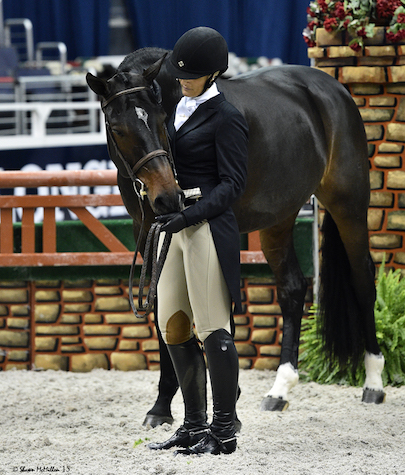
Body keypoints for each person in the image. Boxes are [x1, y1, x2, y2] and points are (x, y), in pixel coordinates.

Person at [147, 26, 249, 455]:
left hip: (206, 227)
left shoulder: (227, 117)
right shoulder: (178, 110)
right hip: (175, 228)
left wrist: (189, 214)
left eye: (192, 74)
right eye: (180, 73)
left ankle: (224, 429)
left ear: (214, 74)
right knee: (171, 325)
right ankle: (192, 424)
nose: (182, 79)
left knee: (212, 330)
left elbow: (233, 185)